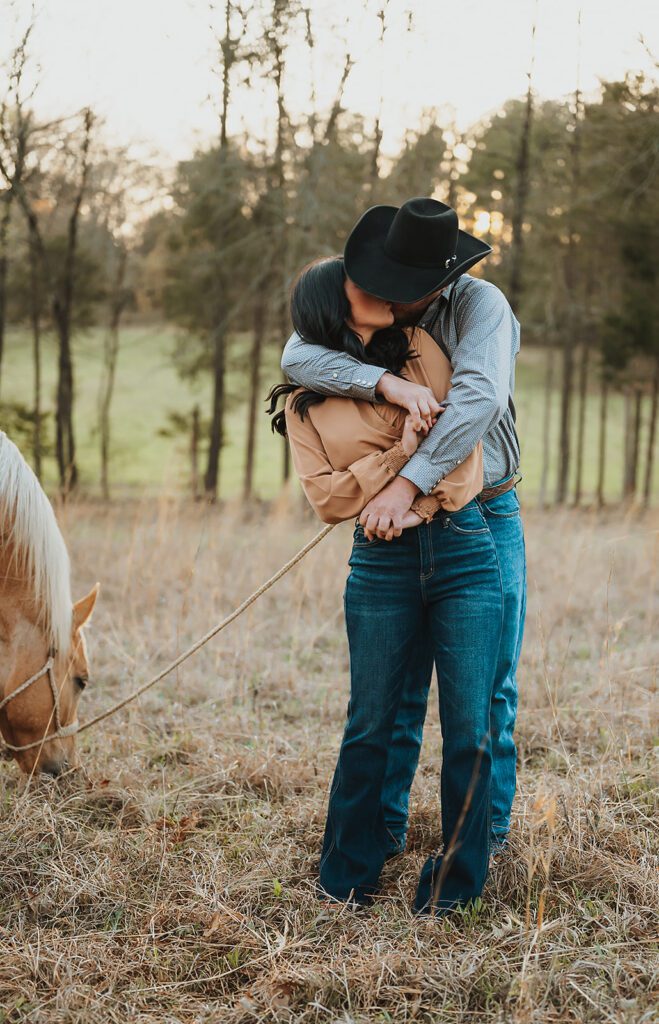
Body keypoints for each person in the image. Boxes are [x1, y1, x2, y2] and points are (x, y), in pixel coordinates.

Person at [281, 197, 526, 858]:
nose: (379, 294)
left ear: (435, 284)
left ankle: (483, 842)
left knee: (486, 695)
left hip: (482, 510)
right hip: (394, 527)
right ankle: (381, 833)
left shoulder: (480, 308)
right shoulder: (377, 315)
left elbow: (475, 399)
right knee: (390, 701)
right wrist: (383, 384)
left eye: (397, 287)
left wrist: (403, 482)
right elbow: (298, 355)